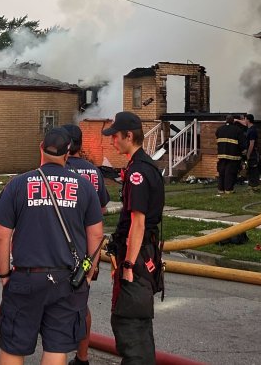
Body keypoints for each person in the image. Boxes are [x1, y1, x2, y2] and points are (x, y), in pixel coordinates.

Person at [0, 127, 104, 365]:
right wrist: (88, 274)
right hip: (67, 279)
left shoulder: (18, 184)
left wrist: (4, 275)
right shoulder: (84, 187)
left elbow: (1, 236)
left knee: (13, 345)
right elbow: (96, 235)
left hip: (26, 276)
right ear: (67, 154)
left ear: (40, 148)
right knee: (56, 347)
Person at [103, 111, 165, 364]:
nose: (112, 141)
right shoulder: (143, 166)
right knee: (135, 322)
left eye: (115, 136)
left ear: (129, 136)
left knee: (129, 320)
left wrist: (128, 265)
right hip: (143, 253)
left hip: (137, 257)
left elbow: (138, 222)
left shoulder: (138, 172)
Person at [61, 124, 109, 365]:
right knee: (82, 305)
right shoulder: (94, 171)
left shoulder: (60, 170)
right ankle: (82, 356)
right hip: (87, 253)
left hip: (59, 248)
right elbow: (102, 209)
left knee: (55, 307)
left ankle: (55, 353)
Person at [215, 115, 245, 195]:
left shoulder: (219, 129)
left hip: (221, 155)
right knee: (230, 172)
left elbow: (217, 138)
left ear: (226, 120)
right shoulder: (237, 130)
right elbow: (242, 143)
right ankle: (228, 189)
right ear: (233, 121)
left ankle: (220, 189)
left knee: (221, 172)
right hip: (233, 156)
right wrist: (244, 152)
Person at [240, 114, 261, 193]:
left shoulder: (252, 130)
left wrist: (248, 154)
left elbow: (252, 144)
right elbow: (243, 123)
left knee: (253, 169)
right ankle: (251, 185)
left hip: (253, 153)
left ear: (248, 120)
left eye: (245, 119)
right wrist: (237, 120)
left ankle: (255, 186)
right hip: (249, 152)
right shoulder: (249, 129)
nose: (244, 121)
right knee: (249, 169)